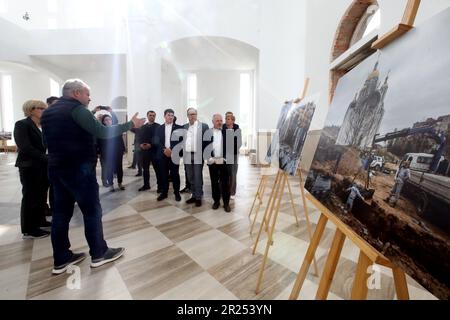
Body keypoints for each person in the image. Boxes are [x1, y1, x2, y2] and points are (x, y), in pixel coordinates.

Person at [41, 79, 145, 274]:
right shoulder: (78, 110)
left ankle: (61, 258)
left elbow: (45, 141)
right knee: (92, 212)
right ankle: (99, 253)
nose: (90, 98)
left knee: (61, 214)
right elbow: (102, 132)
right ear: (77, 93)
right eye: (87, 94)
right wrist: (130, 124)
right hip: (79, 170)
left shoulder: (47, 113)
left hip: (56, 169)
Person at [14, 100, 51, 239]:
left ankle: (40, 221)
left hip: (42, 165)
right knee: (31, 196)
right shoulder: (22, 124)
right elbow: (25, 147)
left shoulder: (42, 125)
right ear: (31, 110)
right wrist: (46, 157)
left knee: (41, 195)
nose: (44, 110)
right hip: (29, 166)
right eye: (41, 108)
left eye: (44, 108)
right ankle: (29, 229)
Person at [153, 109, 183, 202]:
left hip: (174, 155)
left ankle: (177, 193)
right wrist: (164, 149)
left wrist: (171, 149)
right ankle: (164, 193)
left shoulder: (179, 128)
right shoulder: (159, 128)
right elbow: (156, 141)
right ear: (164, 116)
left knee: (175, 175)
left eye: (172, 115)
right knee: (163, 174)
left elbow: (181, 141)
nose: (170, 117)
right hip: (162, 155)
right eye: (169, 115)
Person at [183, 108, 209, 207]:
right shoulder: (185, 127)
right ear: (187, 116)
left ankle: (198, 197)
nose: (192, 116)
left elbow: (207, 141)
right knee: (190, 176)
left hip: (198, 155)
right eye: (190, 114)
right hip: (187, 155)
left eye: (194, 114)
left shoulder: (204, 126)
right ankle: (194, 194)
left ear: (197, 115)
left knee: (197, 176)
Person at [207, 114, 231, 212]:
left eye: (221, 120)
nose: (220, 122)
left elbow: (230, 147)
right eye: (217, 120)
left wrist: (224, 158)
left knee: (225, 183)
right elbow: (204, 147)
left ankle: (226, 203)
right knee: (214, 182)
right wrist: (210, 159)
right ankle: (216, 201)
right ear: (213, 121)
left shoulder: (227, 132)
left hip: (224, 161)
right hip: (212, 161)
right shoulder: (208, 133)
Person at [97, 115, 126, 192]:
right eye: (106, 120)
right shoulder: (101, 131)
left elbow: (121, 140)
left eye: (109, 119)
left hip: (117, 152)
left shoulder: (116, 129)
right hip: (107, 153)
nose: (108, 121)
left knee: (119, 168)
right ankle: (111, 185)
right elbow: (99, 143)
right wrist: (99, 152)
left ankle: (120, 183)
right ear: (103, 121)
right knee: (109, 169)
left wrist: (123, 149)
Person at [138, 110, 161, 192]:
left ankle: (160, 186)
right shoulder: (143, 127)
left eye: (153, 115)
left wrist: (151, 145)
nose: (152, 117)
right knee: (145, 169)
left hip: (155, 151)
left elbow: (159, 139)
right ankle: (146, 185)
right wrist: (140, 144)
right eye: (150, 115)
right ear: (147, 116)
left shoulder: (159, 126)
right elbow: (139, 138)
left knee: (157, 169)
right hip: (145, 151)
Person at [223, 112, 242, 200]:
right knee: (224, 173)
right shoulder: (223, 127)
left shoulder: (237, 129)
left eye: (228, 119)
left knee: (233, 173)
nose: (226, 120)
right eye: (226, 118)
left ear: (233, 120)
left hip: (233, 154)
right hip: (224, 154)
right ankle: (224, 190)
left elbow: (239, 143)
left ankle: (232, 192)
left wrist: (230, 148)